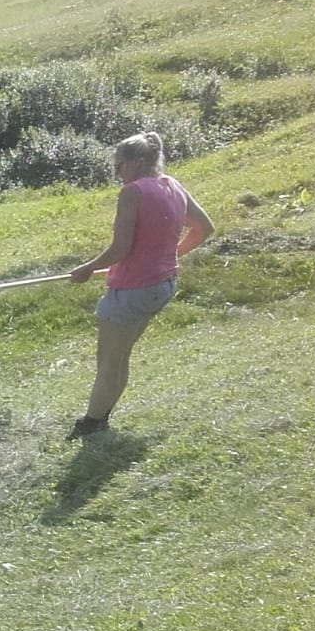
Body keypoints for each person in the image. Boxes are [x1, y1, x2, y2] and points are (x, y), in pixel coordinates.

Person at [66, 131, 214, 438]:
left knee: (109, 361)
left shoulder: (132, 193)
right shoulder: (172, 185)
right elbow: (204, 228)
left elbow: (120, 248)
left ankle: (91, 424)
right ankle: (100, 417)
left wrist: (87, 269)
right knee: (119, 356)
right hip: (162, 284)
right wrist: (168, 256)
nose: (117, 171)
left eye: (119, 164)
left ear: (138, 161)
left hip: (132, 290)